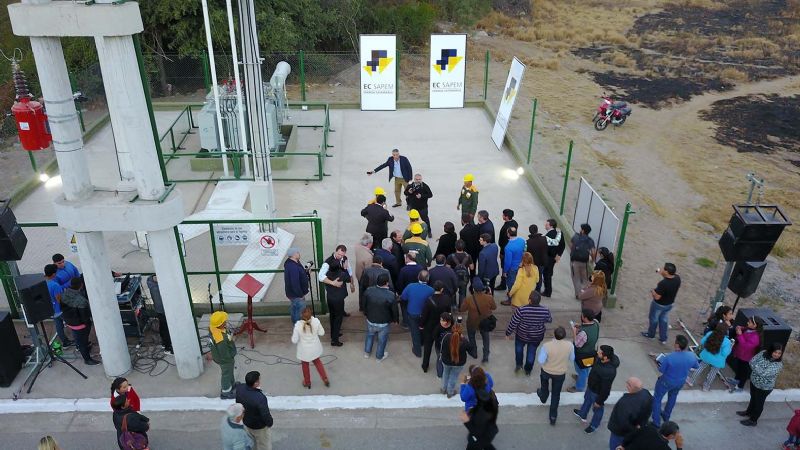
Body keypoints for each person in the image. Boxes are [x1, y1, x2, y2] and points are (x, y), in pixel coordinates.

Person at [651, 335, 699, 427]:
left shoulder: (669, 357)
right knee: (672, 397)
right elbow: (696, 366)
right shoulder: (691, 355)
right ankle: (666, 416)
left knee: (657, 399)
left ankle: (656, 422)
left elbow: (661, 370)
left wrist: (657, 363)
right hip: (680, 381)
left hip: (666, 381)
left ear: (677, 345)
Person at [573, 345, 619, 434]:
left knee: (598, 409)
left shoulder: (608, 371)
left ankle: (594, 425)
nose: (597, 352)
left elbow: (606, 389)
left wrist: (599, 401)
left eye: (599, 352)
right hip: (591, 387)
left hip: (597, 393)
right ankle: (583, 413)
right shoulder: (601, 359)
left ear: (605, 357)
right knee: (587, 399)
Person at [505, 291, 552, 375]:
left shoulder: (521, 310)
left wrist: (508, 333)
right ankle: (528, 370)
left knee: (519, 350)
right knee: (531, 352)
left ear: (529, 300)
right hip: (536, 337)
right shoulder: (545, 310)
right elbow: (549, 320)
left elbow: (513, 323)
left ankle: (519, 366)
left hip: (521, 335)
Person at [738, 342, 784, 427]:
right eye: (775, 352)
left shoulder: (778, 365)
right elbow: (751, 361)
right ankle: (748, 412)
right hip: (754, 382)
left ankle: (753, 420)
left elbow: (763, 373)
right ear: (771, 350)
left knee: (759, 403)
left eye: (779, 353)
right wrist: (757, 366)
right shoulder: (763, 353)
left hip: (764, 388)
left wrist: (756, 366)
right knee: (753, 398)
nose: (777, 355)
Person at [536, 326, 575, 425]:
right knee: (556, 394)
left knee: (544, 386)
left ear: (554, 334)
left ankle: (543, 398)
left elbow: (541, 360)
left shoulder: (547, 346)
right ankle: (553, 416)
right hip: (560, 373)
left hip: (546, 371)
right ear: (565, 335)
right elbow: (572, 358)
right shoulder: (570, 345)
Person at [319, 245, 354, 346]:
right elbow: (320, 276)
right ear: (335, 251)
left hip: (336, 295)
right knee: (337, 317)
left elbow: (349, 270)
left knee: (334, 315)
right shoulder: (328, 263)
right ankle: (334, 340)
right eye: (339, 254)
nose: (340, 256)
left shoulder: (344, 259)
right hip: (335, 295)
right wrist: (333, 283)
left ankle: (334, 334)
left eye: (342, 255)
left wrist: (352, 283)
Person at [60, 277, 99, 365]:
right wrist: (87, 323)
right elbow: (85, 316)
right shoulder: (82, 301)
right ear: (81, 285)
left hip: (70, 322)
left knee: (79, 339)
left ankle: (82, 347)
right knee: (82, 341)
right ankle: (87, 359)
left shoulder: (63, 294)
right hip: (81, 325)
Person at [607, 377, 653, 450]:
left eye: (627, 384)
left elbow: (622, 422)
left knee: (615, 447)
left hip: (620, 433)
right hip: (635, 431)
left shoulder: (625, 403)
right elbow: (648, 411)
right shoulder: (646, 394)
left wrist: (633, 429)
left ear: (630, 387)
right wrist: (639, 426)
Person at [641, 262, 681, 345]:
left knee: (654, 319)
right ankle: (663, 338)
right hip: (669, 304)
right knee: (664, 320)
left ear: (666, 272)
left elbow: (657, 297)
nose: (662, 269)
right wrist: (662, 274)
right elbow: (669, 279)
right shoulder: (677, 278)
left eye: (664, 269)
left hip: (659, 305)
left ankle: (651, 334)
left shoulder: (663, 284)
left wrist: (653, 291)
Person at [459, 277, 497, 363]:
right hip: (485, 322)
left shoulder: (469, 299)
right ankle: (486, 355)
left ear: (473, 289)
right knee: (486, 338)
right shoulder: (489, 298)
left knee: (471, 336)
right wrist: (490, 295)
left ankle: (474, 352)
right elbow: (494, 307)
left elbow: (462, 309)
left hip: (472, 322)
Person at [686, 323, 733, 391]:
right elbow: (725, 353)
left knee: (700, 367)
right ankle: (706, 386)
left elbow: (702, 342)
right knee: (713, 373)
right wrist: (730, 347)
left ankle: (691, 381)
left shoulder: (710, 333)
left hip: (707, 356)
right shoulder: (727, 342)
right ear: (726, 331)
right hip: (718, 361)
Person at [362, 273, 398, 362]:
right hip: (383, 323)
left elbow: (364, 304)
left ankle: (367, 352)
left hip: (370, 320)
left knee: (370, 336)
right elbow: (395, 310)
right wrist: (395, 320)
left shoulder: (369, 290)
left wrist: (366, 313)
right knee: (382, 340)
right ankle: (379, 357)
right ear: (386, 283)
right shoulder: (390, 295)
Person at [291, 306, 329, 389]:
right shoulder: (316, 321)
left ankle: (307, 382)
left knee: (305, 365)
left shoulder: (298, 325)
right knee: (318, 362)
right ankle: (325, 379)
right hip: (315, 348)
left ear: (301, 315)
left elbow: (294, 340)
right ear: (311, 313)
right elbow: (322, 333)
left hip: (304, 350)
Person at [421, 280, 455, 372]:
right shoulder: (447, 299)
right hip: (442, 327)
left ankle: (425, 366)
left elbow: (425, 315)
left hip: (430, 327)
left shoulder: (429, 300)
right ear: (442, 289)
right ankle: (441, 367)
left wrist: (421, 325)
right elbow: (449, 313)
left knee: (427, 347)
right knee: (441, 347)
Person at [235, 371, 274, 449]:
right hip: (259, 427)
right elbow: (265, 414)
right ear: (256, 383)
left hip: (247, 423)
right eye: (259, 380)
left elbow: (238, 404)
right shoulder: (260, 398)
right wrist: (270, 423)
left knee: (252, 443)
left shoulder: (239, 388)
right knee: (264, 445)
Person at [400, 270, 434, 357]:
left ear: (418, 277)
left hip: (412, 312)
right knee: (423, 328)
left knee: (414, 331)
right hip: (425, 314)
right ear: (428, 279)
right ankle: (422, 342)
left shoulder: (410, 286)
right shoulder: (431, 290)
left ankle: (417, 350)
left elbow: (403, 297)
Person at [727, 316, 764, 393]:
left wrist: (740, 334)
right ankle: (736, 380)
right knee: (739, 368)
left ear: (755, 325)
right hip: (741, 355)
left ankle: (740, 387)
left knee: (744, 372)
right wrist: (739, 327)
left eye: (750, 322)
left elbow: (745, 346)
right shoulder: (749, 329)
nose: (747, 323)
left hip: (746, 357)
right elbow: (745, 328)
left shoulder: (755, 337)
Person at [460, 380, 499, 450]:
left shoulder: (481, 413)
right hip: (490, 432)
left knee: (474, 445)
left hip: (480, 436)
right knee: (487, 445)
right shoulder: (492, 403)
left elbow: (477, 431)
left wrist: (466, 421)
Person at [569, 309, 600, 393]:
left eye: (582, 315)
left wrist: (574, 332)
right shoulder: (596, 322)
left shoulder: (583, 333)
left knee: (581, 369)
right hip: (592, 352)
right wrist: (580, 325)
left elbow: (576, 344)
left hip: (582, 355)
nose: (581, 316)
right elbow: (589, 326)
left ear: (585, 318)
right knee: (587, 367)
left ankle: (579, 387)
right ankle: (581, 378)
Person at [210, 311, 238, 399]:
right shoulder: (220, 339)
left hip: (225, 358)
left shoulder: (214, 328)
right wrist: (229, 359)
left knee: (229, 371)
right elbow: (223, 352)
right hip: (225, 359)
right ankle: (226, 391)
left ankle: (232, 384)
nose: (226, 322)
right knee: (226, 373)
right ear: (221, 324)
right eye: (224, 321)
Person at [44, 263, 72, 347]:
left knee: (59, 326)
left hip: (52, 310)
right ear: (53, 274)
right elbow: (59, 299)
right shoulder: (55, 285)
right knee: (72, 324)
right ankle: (78, 344)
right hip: (60, 310)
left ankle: (65, 342)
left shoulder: (44, 283)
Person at [441, 322, 470, 398]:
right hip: (459, 363)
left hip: (446, 360)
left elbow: (442, 347)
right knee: (453, 376)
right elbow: (471, 350)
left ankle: (443, 389)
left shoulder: (446, 337)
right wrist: (464, 339)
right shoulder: (464, 341)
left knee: (445, 373)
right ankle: (450, 392)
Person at [145, 275, 173, 354]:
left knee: (163, 326)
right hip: (163, 310)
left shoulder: (150, 281)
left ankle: (165, 344)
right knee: (165, 327)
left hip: (160, 310)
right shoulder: (157, 287)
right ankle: (168, 348)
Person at [283, 248, 309, 325]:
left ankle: (295, 324)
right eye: (298, 252)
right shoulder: (293, 267)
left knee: (294, 308)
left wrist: (305, 273)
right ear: (294, 255)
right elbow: (295, 283)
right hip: (297, 294)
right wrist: (300, 295)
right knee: (300, 312)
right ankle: (298, 328)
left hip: (291, 293)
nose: (299, 253)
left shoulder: (293, 263)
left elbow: (299, 272)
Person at [570, 223, 596, 299]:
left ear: (583, 230)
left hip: (575, 261)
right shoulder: (590, 240)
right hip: (584, 262)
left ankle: (578, 295)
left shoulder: (576, 237)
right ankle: (586, 294)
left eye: (581, 228)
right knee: (584, 279)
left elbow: (571, 246)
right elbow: (593, 252)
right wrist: (593, 260)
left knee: (576, 278)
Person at [617, 421, 684, 450]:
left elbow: (632, 434)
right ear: (671, 436)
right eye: (676, 433)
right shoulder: (664, 448)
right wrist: (679, 447)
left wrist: (623, 445)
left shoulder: (648, 428)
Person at [495, 209, 518, 291]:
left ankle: (504, 284)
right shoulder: (515, 223)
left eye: (503, 215)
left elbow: (503, 241)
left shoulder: (505, 227)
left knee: (504, 267)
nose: (502, 216)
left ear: (506, 217)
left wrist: (501, 252)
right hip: (512, 248)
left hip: (504, 250)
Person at [447, 239, 474, 307]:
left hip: (454, 278)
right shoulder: (468, 256)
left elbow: (448, 268)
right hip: (464, 278)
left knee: (453, 292)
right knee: (463, 292)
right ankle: (462, 306)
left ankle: (453, 306)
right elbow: (472, 268)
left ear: (455, 247)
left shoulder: (451, 256)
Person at [542, 219, 565, 297]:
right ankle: (547, 290)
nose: (545, 225)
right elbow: (563, 245)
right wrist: (559, 255)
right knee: (548, 273)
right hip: (553, 257)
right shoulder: (559, 233)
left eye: (547, 224)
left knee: (547, 274)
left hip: (549, 257)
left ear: (551, 225)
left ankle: (547, 291)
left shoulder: (549, 235)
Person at [502, 227, 525, 295]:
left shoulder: (508, 247)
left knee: (511, 283)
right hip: (521, 265)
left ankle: (511, 298)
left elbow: (507, 262)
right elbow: (524, 251)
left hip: (512, 268)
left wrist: (505, 271)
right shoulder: (522, 240)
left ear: (508, 234)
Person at [526, 224, 548, 293]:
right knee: (539, 276)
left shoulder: (528, 242)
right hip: (542, 262)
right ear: (537, 230)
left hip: (533, 263)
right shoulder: (544, 239)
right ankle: (538, 290)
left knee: (531, 276)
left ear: (530, 231)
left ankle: (530, 290)